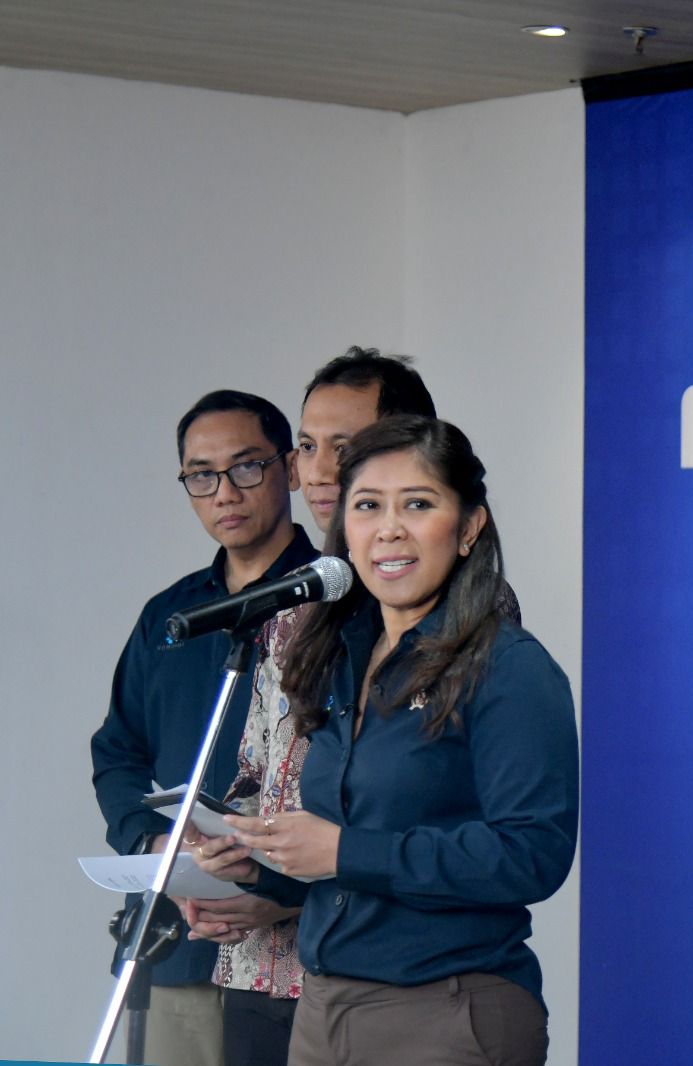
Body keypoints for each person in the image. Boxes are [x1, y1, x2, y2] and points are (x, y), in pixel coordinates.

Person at [191, 415, 578, 1066]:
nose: (389, 528)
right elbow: (348, 869)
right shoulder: (339, 657)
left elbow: (532, 854)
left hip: (446, 1010)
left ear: (469, 528)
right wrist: (259, 865)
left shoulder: (509, 668)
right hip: (323, 1009)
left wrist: (344, 850)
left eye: (418, 505)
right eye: (368, 506)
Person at [179, 348, 443, 1066]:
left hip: (387, 972)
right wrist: (219, 854)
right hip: (260, 968)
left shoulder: (456, 613)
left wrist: (289, 888)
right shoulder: (294, 605)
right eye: (307, 445)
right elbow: (256, 772)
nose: (319, 469)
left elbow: (434, 802)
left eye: (345, 446)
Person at [90, 389, 319, 1066]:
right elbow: (118, 751)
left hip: (305, 954)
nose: (225, 492)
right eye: (201, 475)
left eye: (246, 466)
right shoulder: (172, 616)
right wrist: (156, 842)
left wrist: (284, 888)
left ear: (290, 468)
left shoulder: (340, 602)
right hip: (187, 941)